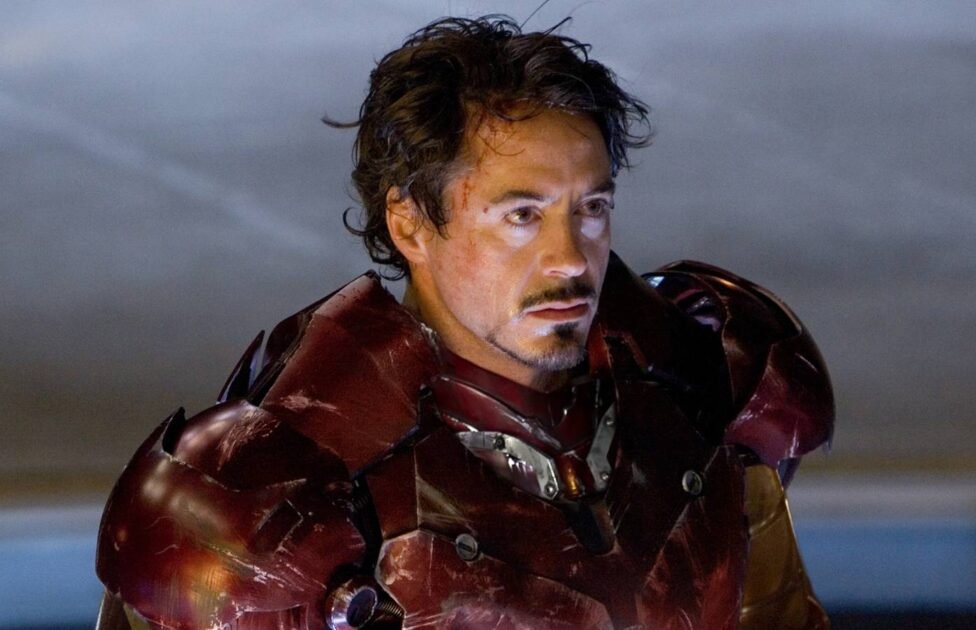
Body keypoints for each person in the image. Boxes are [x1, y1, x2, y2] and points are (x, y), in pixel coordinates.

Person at [95, 15, 834, 630]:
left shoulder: (702, 396)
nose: (569, 259)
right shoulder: (272, 497)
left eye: (591, 208)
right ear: (411, 223)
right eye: (521, 216)